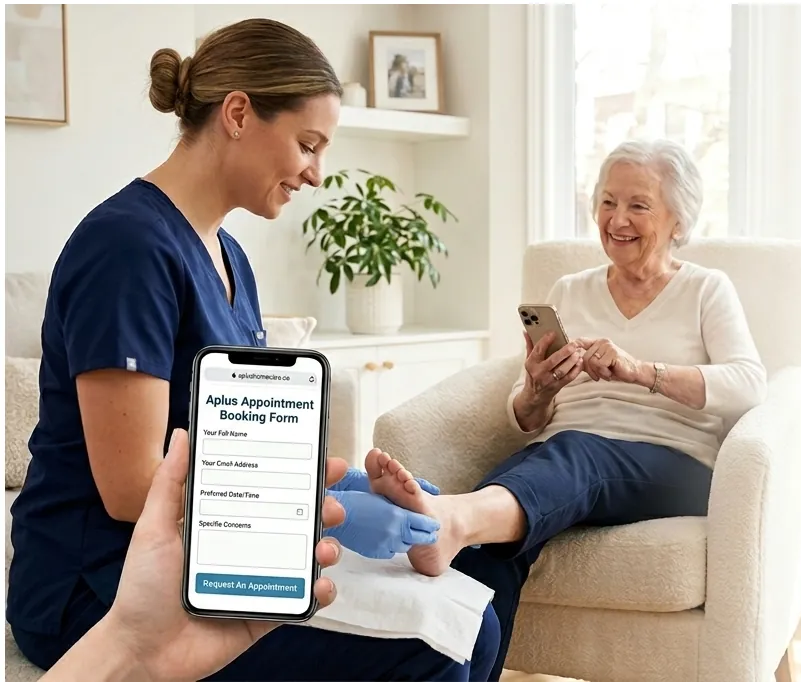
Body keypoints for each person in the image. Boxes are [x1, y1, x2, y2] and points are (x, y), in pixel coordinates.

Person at [7, 18, 499, 681]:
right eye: (307, 143)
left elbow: (245, 440)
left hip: (217, 554)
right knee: (431, 651)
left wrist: (344, 483)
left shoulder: (230, 255)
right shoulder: (126, 249)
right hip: (93, 588)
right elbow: (129, 491)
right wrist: (327, 517)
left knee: (477, 624)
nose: (317, 173)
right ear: (238, 113)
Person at [360, 138, 768, 680]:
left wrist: (641, 372)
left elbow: (749, 384)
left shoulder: (705, 290)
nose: (616, 219)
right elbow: (528, 418)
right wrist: (537, 389)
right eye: (606, 201)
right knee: (491, 540)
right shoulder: (569, 291)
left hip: (674, 463)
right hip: (566, 456)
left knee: (573, 459)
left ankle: (452, 515)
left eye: (638, 205)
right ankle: (459, 557)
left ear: (678, 219)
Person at [41, 428, 345, 682]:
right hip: (76, 591)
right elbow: (125, 492)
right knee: (389, 652)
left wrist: (129, 646)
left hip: (154, 614)